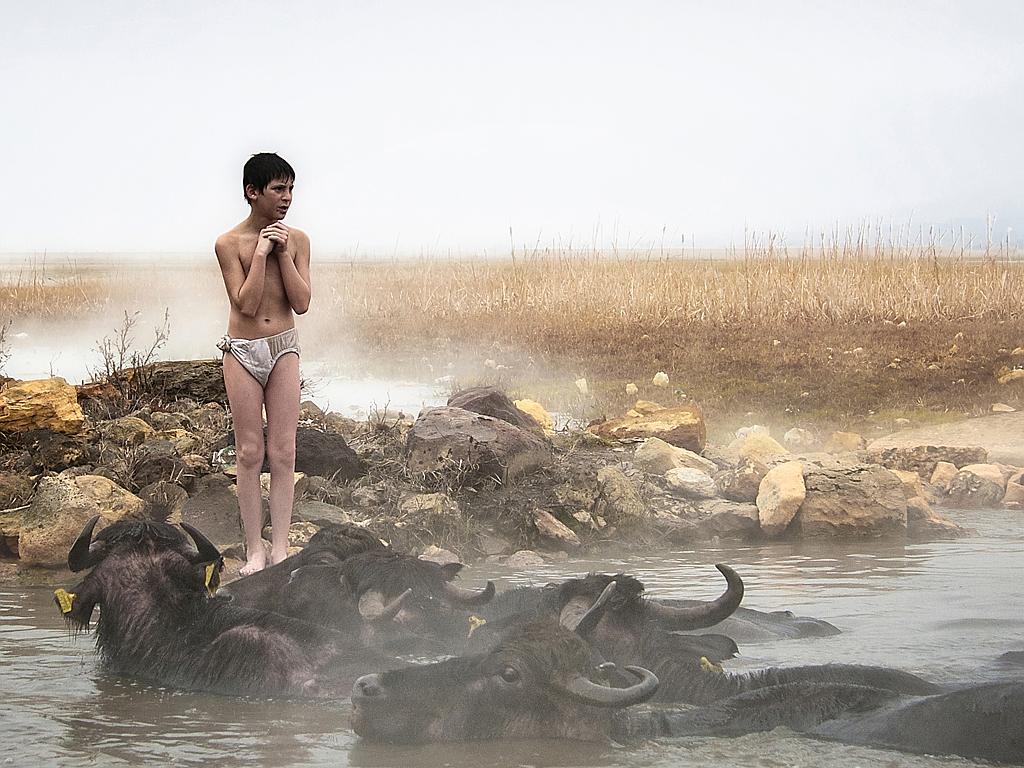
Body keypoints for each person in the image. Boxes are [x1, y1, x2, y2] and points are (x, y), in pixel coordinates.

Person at [215, 153, 311, 575]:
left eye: (290, 189)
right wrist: (260, 253)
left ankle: (281, 549)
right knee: (250, 451)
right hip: (242, 352)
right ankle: (255, 550)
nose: (286, 198)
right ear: (252, 192)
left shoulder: (300, 240)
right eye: (278, 189)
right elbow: (248, 303)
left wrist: (284, 253)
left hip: (284, 347)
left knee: (284, 451)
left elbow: (303, 303)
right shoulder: (228, 244)